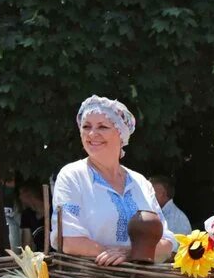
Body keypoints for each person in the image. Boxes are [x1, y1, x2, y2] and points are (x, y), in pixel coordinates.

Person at [51, 95, 175, 266]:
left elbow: (167, 242)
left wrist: (128, 254)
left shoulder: (141, 183)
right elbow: (68, 240)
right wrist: (111, 255)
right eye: (86, 126)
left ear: (121, 133)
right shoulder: (72, 176)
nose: (92, 134)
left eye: (102, 126)